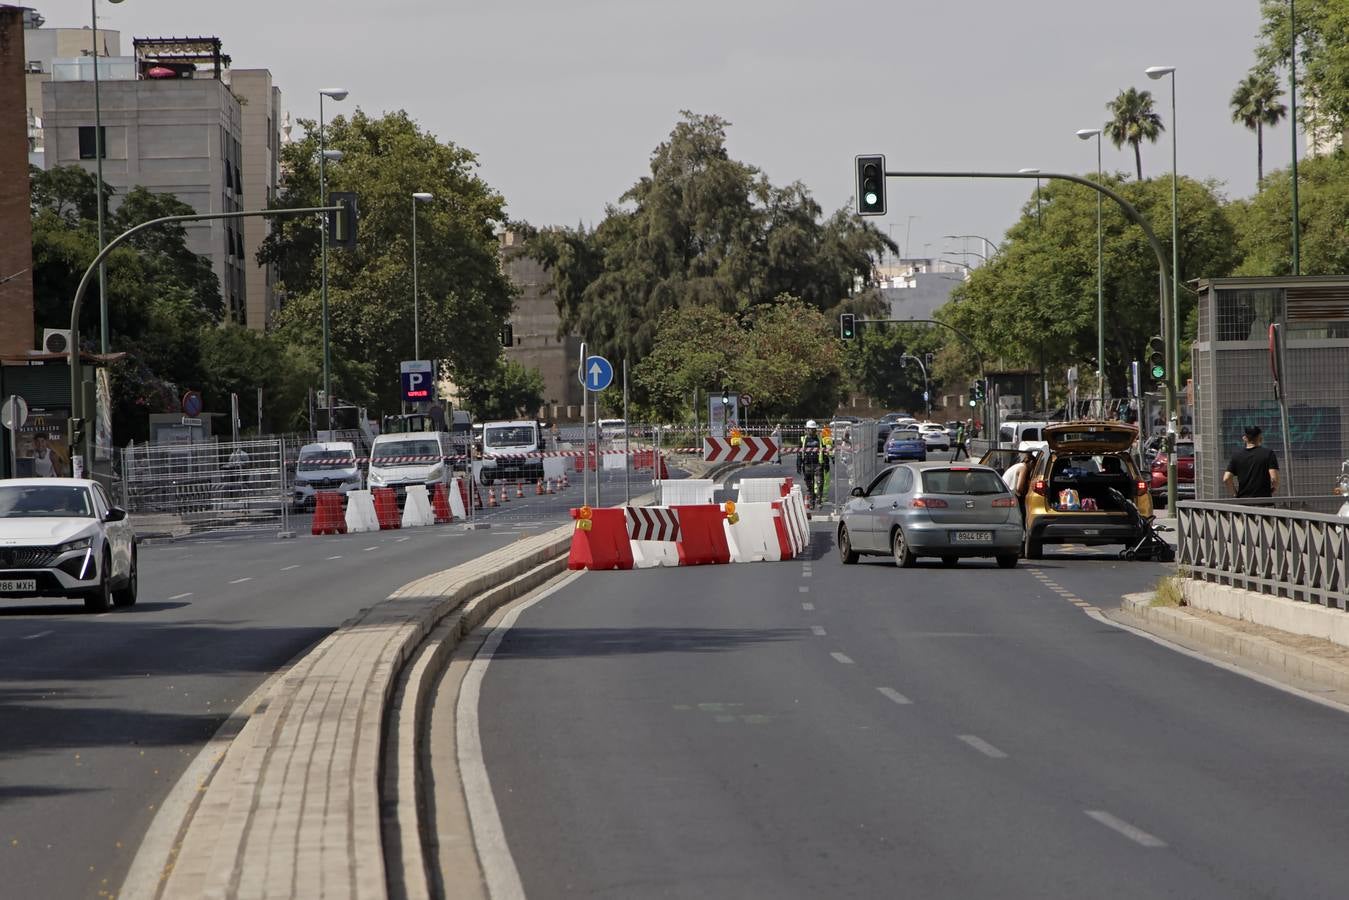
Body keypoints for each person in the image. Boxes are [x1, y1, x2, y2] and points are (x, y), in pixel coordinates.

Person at [1223, 425, 1279, 498]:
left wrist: (1235, 494)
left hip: (1244, 502)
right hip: (1264, 500)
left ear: (1245, 438)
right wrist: (1274, 488)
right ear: (1260, 438)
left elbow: (1226, 478)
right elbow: (1274, 478)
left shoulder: (1236, 456)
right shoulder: (1268, 454)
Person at [797, 420, 828, 509]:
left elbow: (825, 452)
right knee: (809, 485)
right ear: (807, 429)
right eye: (810, 429)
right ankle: (811, 503)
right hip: (807, 465)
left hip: (818, 464)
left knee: (819, 483)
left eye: (813, 429)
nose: (812, 431)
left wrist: (826, 464)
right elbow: (799, 453)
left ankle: (818, 501)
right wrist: (798, 465)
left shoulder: (820, 439)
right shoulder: (803, 440)